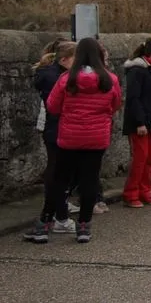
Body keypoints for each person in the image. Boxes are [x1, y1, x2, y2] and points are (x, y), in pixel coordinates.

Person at [24, 38, 122, 244]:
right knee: (90, 180)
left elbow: (53, 106)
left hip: (69, 136)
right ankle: (84, 226)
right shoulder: (110, 79)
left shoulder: (66, 78)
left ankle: (45, 224)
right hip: (96, 136)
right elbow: (115, 105)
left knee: (59, 180)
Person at [32, 40, 78, 231]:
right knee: (58, 173)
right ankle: (57, 216)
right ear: (64, 59)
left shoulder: (55, 74)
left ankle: (55, 214)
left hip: (57, 127)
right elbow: (57, 105)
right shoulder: (55, 77)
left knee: (60, 173)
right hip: (57, 128)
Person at [122, 36, 151, 208]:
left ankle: (145, 191)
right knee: (140, 159)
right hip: (141, 122)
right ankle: (131, 193)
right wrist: (140, 122)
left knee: (150, 159)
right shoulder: (137, 70)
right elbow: (134, 99)